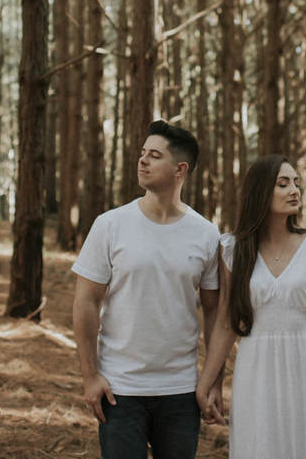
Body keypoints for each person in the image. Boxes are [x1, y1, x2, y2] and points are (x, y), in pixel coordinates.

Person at [71, 120, 221, 459]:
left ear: (180, 169)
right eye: (142, 153)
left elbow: (214, 312)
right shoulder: (110, 225)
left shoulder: (206, 234)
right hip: (119, 390)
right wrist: (90, 375)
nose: (143, 161)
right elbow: (85, 302)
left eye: (154, 155)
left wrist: (213, 381)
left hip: (181, 392)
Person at [195, 154, 306, 459]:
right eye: (283, 184)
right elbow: (225, 323)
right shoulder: (234, 249)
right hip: (257, 373)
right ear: (260, 192)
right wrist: (204, 385)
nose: (294, 190)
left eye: (296, 182)